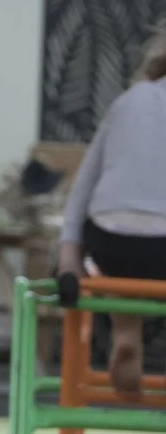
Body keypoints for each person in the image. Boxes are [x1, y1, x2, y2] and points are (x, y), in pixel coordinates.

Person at [58, 29, 166, 397]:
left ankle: (125, 332)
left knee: (117, 262)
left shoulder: (129, 101)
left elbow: (82, 189)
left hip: (111, 243)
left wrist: (68, 263)